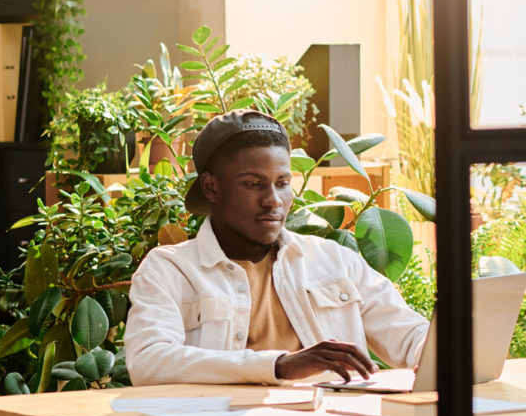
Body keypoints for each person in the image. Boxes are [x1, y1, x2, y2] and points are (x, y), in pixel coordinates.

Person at [125, 109, 428, 386]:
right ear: (211, 187)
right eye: (253, 183)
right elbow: (149, 362)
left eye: (282, 183)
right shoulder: (169, 270)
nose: (273, 200)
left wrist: (462, 350)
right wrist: (278, 365)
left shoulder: (334, 261)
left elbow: (412, 337)